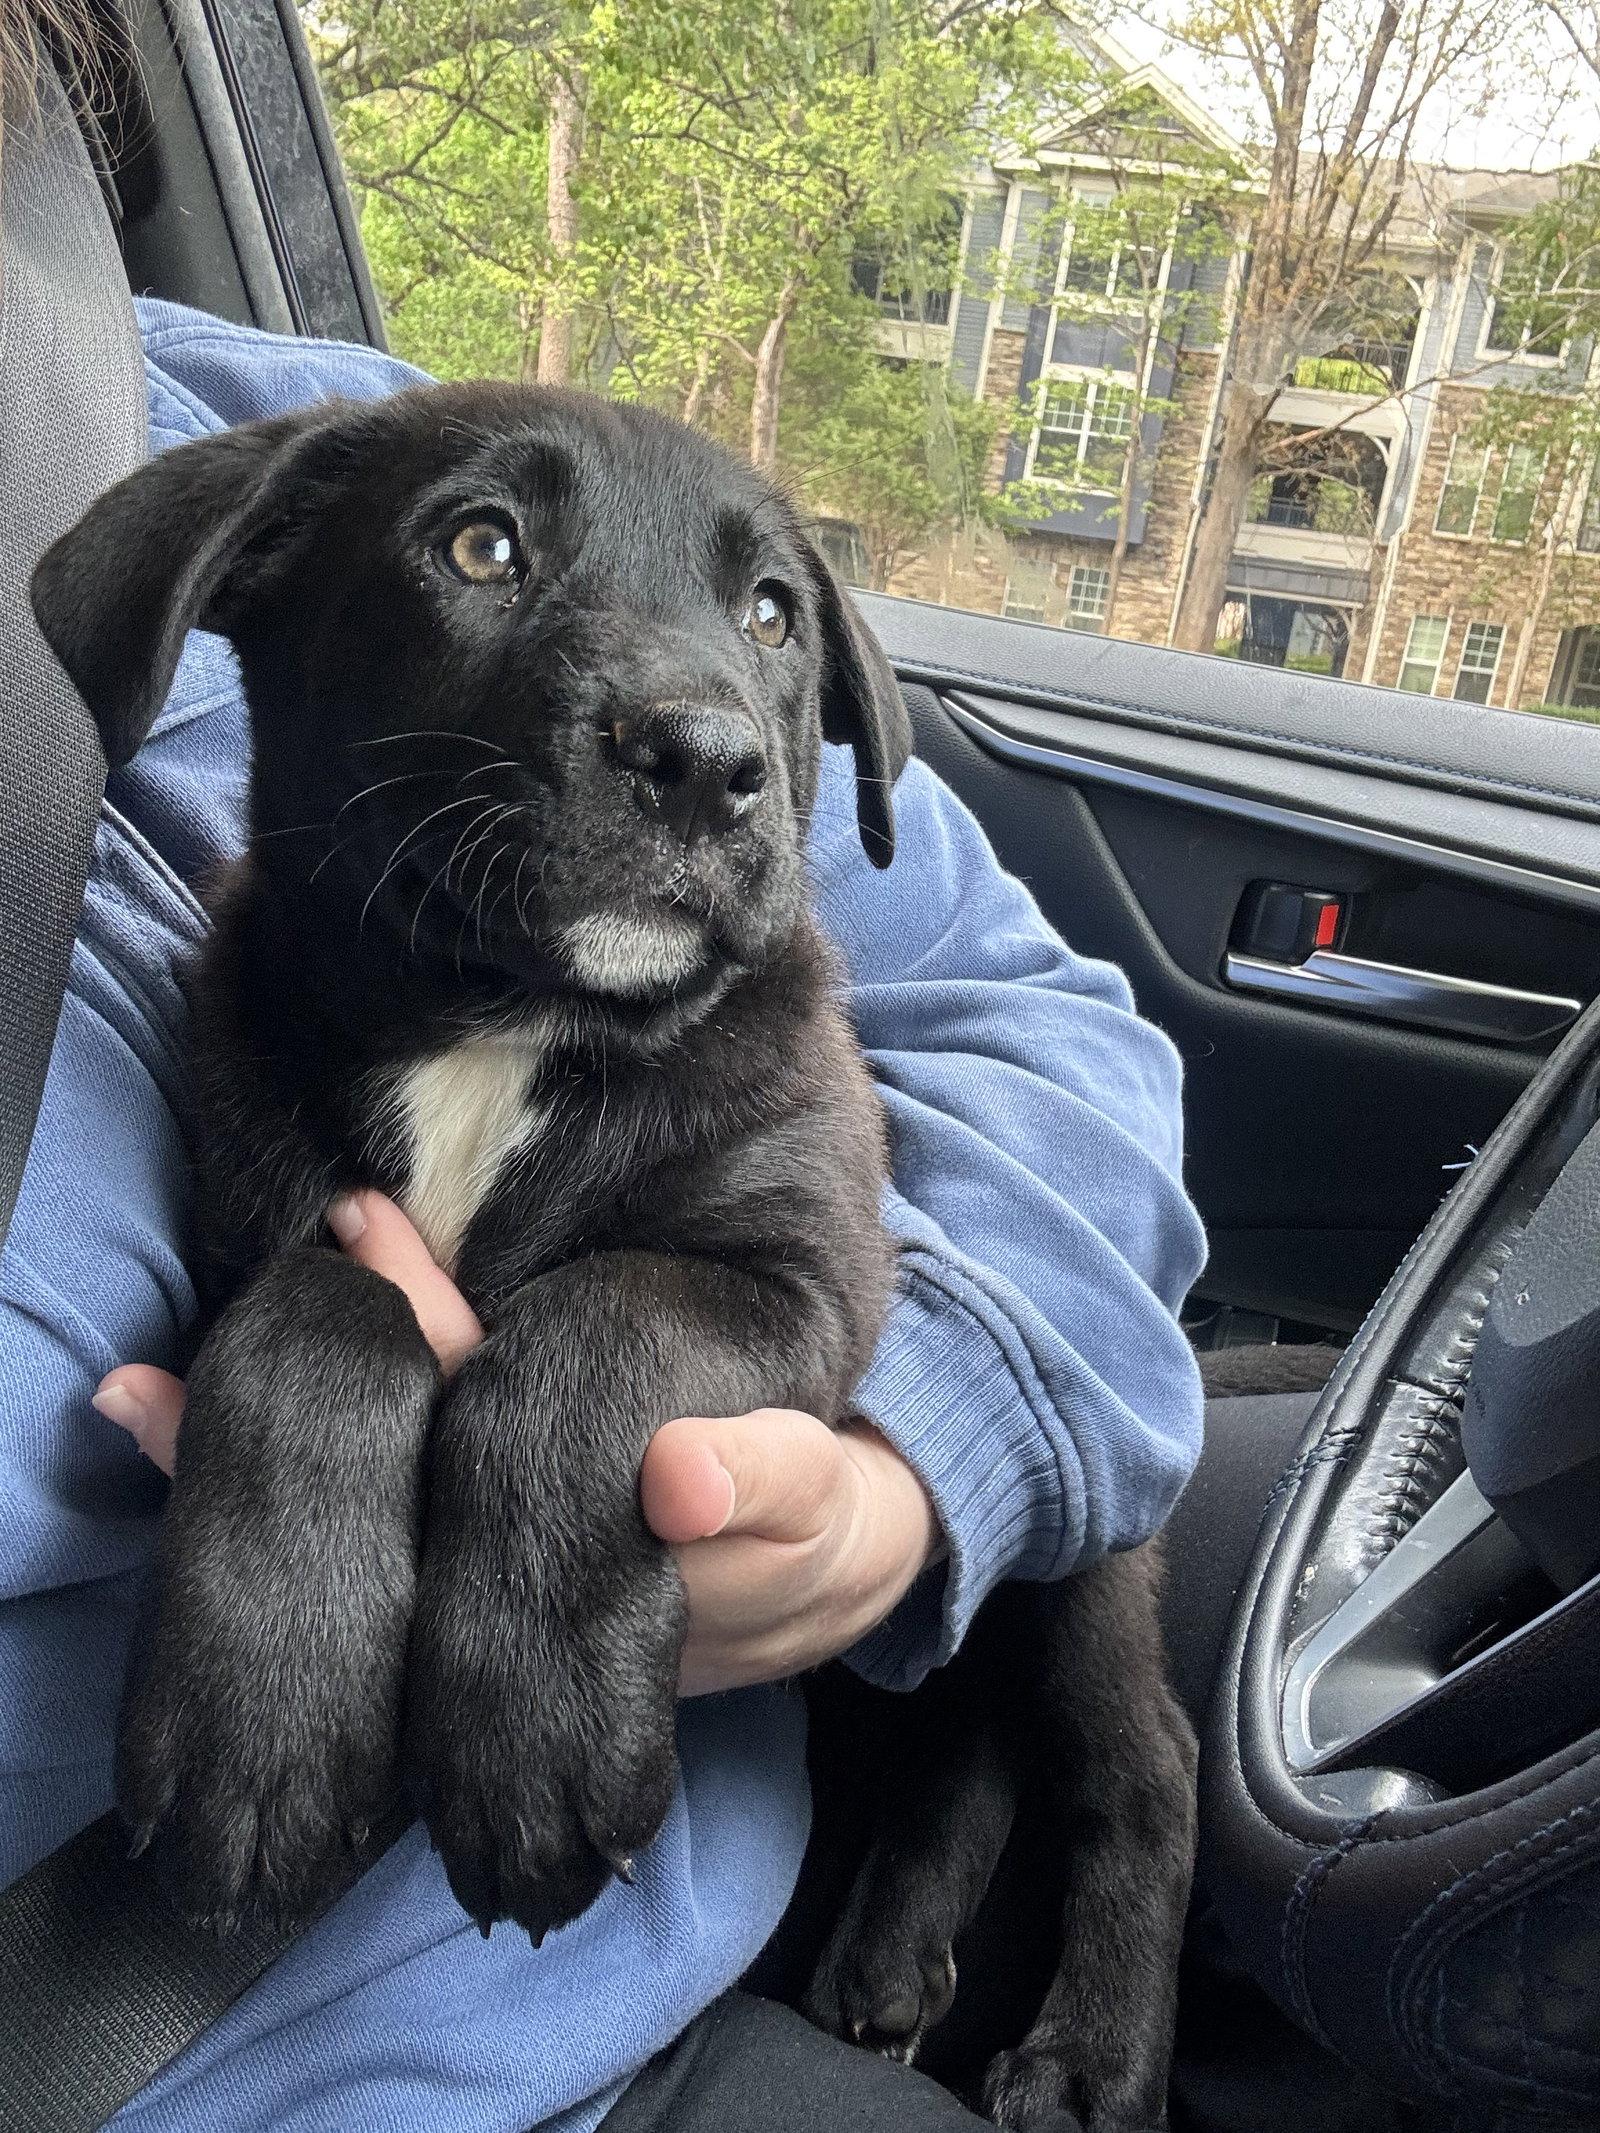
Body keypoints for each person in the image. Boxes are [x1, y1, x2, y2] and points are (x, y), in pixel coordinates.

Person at [1, 35, 1215, 2132]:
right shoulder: (260, 971)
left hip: (691, 1853)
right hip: (262, 2022)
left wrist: (901, 1481)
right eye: (485, 554)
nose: (701, 711)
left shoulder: (162, 381)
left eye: (762, 622)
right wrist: (317, 1372)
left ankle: (1077, 1842)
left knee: (1124, 1574)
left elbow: (1053, 1036)